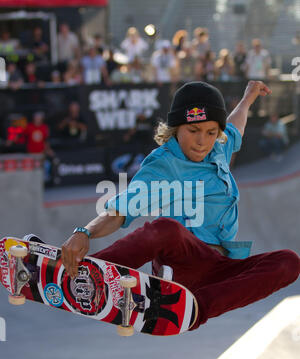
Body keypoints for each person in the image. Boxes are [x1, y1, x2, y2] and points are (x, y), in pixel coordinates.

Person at [61, 80, 300, 331]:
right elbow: (121, 210)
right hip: (182, 261)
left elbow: (235, 127)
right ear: (176, 129)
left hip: (218, 270)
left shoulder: (218, 147)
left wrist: (248, 98)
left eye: (210, 132)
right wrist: (84, 232)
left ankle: (193, 310)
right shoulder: (165, 164)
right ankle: (87, 276)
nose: (202, 142)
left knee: (288, 262)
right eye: (193, 131)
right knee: (166, 228)